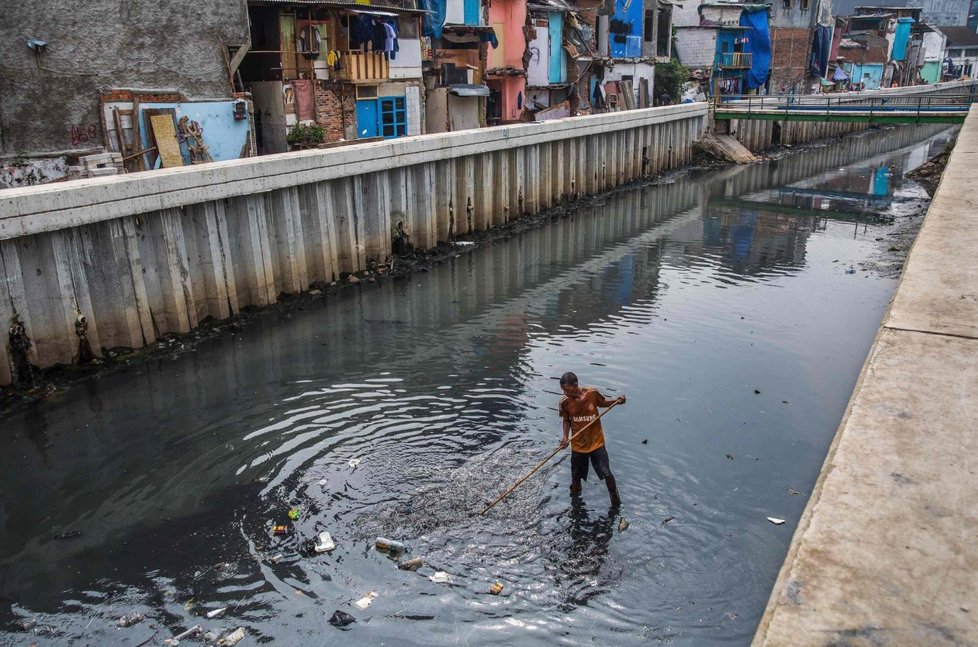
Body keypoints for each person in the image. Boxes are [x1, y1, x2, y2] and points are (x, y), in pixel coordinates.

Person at [557, 372, 625, 506]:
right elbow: (566, 421)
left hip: (596, 442)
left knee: (607, 473)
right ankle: (575, 503)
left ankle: (616, 502)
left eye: (568, 390)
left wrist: (617, 402)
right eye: (563, 390)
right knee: (575, 477)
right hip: (578, 445)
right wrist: (565, 437)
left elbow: (603, 403)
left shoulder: (592, 393)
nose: (566, 394)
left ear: (575, 385)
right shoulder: (564, 402)